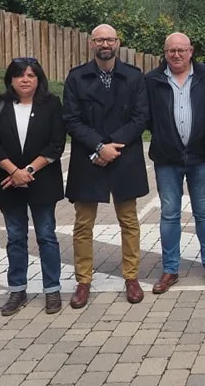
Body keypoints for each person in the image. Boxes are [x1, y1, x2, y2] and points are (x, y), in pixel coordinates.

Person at [62, 24, 150, 309]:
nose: (105, 44)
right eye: (100, 39)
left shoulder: (135, 77)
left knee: (129, 221)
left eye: (110, 39)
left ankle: (132, 277)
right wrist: (100, 147)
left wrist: (112, 146)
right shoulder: (76, 77)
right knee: (83, 224)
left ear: (118, 43)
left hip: (124, 156)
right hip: (90, 157)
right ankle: (83, 281)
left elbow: (140, 118)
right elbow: (71, 120)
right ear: (91, 44)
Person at [0, 57, 66, 316]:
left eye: (31, 75)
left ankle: (52, 290)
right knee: (16, 238)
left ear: (39, 78)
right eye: (19, 75)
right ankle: (17, 289)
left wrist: (28, 171)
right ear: (11, 79)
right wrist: (14, 172)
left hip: (42, 180)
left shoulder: (51, 105)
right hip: (8, 181)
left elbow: (56, 144)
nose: (25, 79)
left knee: (47, 237)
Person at [145, 32, 205, 293]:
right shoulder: (152, 80)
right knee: (169, 214)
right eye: (171, 50)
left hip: (201, 157)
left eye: (181, 50)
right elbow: (146, 117)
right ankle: (170, 270)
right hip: (167, 159)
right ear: (165, 53)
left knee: (204, 212)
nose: (176, 54)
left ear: (191, 51)